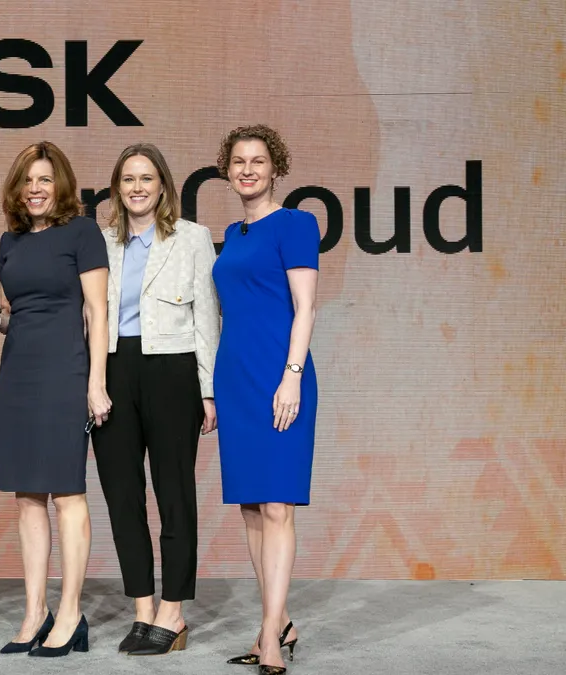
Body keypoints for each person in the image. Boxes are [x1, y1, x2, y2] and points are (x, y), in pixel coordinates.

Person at [0, 141, 109, 658]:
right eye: (27, 181)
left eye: (44, 179)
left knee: (67, 493)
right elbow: (20, 313)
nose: (36, 189)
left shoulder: (83, 232)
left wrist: (96, 383)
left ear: (61, 184)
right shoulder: (11, 240)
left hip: (66, 371)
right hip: (19, 372)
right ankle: (35, 611)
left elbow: (97, 312)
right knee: (27, 498)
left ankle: (71, 612)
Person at [91, 143, 220, 656]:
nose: (137, 188)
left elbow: (208, 317)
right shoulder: (101, 242)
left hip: (172, 370)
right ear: (117, 188)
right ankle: (143, 610)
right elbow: (90, 320)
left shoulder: (192, 238)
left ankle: (174, 612)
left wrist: (208, 390)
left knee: (173, 495)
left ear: (163, 185)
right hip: (115, 371)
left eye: (147, 178)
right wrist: (92, 381)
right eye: (128, 179)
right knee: (122, 497)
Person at [211, 124, 320, 675]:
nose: (247, 169)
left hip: (280, 376)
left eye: (257, 161)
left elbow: (305, 308)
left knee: (278, 505)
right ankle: (276, 623)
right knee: (253, 510)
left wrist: (292, 376)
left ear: (275, 167)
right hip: (236, 381)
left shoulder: (298, 224)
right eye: (238, 161)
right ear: (227, 170)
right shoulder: (232, 233)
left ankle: (271, 639)